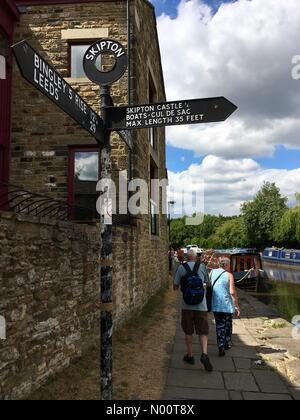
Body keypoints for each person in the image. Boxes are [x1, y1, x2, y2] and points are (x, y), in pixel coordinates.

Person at [174, 249, 213, 372]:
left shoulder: (181, 268)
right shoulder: (201, 267)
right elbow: (208, 283)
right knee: (203, 331)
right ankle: (204, 354)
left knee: (188, 331)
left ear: (186, 257)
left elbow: (175, 286)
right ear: (196, 258)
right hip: (201, 306)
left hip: (187, 306)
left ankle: (190, 355)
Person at [210, 257, 241, 357]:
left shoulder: (212, 273)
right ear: (227, 265)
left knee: (219, 326)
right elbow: (232, 292)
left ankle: (220, 345)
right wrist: (237, 307)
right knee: (227, 325)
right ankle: (226, 344)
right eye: (229, 265)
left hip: (215, 304)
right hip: (227, 306)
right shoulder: (229, 275)